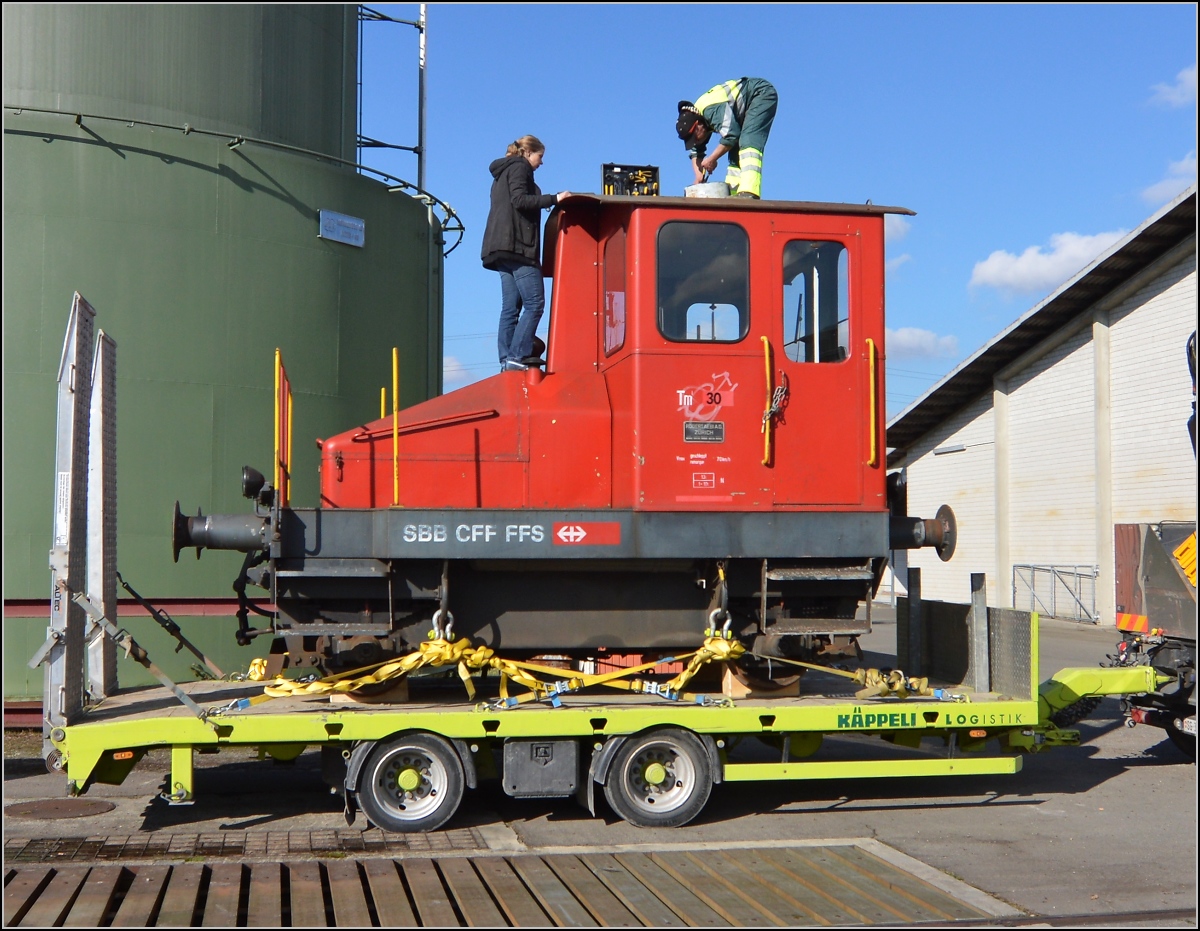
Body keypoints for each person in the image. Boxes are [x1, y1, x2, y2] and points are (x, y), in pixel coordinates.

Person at [481, 135, 568, 371]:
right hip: (518, 247)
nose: (541, 162)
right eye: (540, 156)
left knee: (510, 307)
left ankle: (506, 359)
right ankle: (517, 357)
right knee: (535, 303)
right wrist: (554, 198)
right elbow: (519, 200)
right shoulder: (519, 166)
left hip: (499, 247)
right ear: (529, 152)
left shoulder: (501, 173)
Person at [676, 78, 778, 199]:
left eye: (695, 138)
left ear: (698, 125)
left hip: (760, 94)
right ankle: (734, 194)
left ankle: (749, 192)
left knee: (747, 142)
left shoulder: (711, 111)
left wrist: (712, 159)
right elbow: (696, 153)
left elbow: (731, 135)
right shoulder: (696, 117)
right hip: (740, 111)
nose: (696, 142)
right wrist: (699, 177)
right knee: (735, 150)